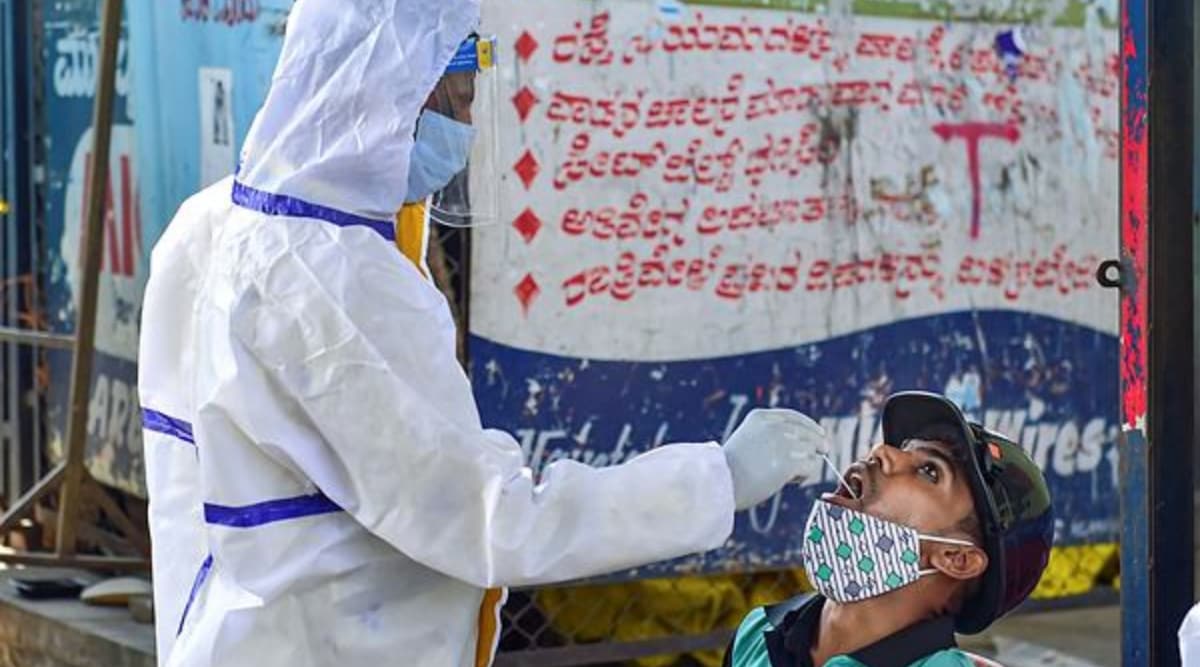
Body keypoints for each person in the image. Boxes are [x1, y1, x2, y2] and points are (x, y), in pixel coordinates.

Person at [137, 2, 828, 666]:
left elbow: (177, 504)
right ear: (391, 94)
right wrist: (718, 478)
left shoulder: (208, 228)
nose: (467, 128)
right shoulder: (333, 279)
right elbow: (489, 518)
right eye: (461, 100)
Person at [724, 392, 1054, 667]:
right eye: (902, 447)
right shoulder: (756, 634)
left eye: (929, 470)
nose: (882, 452)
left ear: (956, 558)